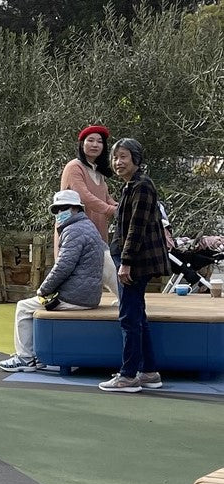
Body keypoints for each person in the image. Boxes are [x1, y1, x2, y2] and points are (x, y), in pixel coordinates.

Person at [0, 189, 106, 372]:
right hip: (88, 294)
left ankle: (26, 359)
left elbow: (63, 266)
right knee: (35, 307)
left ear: (75, 208)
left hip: (75, 297)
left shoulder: (73, 231)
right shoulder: (88, 226)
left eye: (63, 208)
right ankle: (35, 356)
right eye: (56, 209)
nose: (59, 213)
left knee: (24, 308)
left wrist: (43, 289)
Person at [99, 137, 168, 393]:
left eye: (124, 156)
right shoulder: (131, 185)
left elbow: (135, 229)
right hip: (132, 260)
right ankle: (149, 371)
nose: (118, 162)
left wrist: (125, 263)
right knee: (138, 317)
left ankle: (128, 376)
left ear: (136, 160)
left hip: (136, 263)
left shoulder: (141, 187)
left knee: (129, 318)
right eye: (116, 157)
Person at [58, 124, 117, 297]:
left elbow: (106, 198)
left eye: (99, 141)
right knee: (76, 271)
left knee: (100, 271)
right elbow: (83, 196)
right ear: (82, 144)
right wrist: (111, 210)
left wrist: (122, 207)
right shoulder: (74, 167)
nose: (95, 145)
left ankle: (112, 304)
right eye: (90, 140)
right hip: (77, 231)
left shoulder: (98, 172)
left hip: (97, 228)